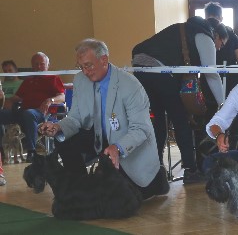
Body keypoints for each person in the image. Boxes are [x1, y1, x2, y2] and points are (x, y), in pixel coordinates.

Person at [39, 39, 169, 199]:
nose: (85, 72)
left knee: (128, 198)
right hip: (98, 138)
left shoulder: (130, 85)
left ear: (104, 60)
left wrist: (118, 148)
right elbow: (75, 118)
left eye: (88, 65)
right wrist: (58, 127)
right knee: (64, 140)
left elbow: (141, 129)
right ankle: (80, 189)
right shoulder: (80, 80)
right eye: (81, 67)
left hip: (126, 144)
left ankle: (157, 179)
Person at [132, 16, 228, 183]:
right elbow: (211, 74)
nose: (219, 48)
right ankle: (191, 171)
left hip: (140, 67)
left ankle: (156, 169)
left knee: (159, 120)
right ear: (217, 36)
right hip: (159, 70)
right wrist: (224, 105)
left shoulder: (184, 28)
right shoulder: (205, 36)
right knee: (180, 120)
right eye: (222, 43)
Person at [5, 53, 65, 162]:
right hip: (22, 112)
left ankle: (31, 152)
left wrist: (50, 100)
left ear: (48, 64)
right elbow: (17, 97)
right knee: (2, 114)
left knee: (29, 113)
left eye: (42, 64)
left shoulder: (53, 78)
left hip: (42, 114)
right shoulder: (28, 80)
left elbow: (62, 97)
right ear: (32, 66)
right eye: (36, 64)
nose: (38, 67)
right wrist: (8, 100)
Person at [204, 2, 238, 93]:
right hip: (230, 78)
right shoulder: (230, 32)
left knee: (211, 105)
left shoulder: (202, 32)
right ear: (221, 18)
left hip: (210, 78)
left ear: (205, 17)